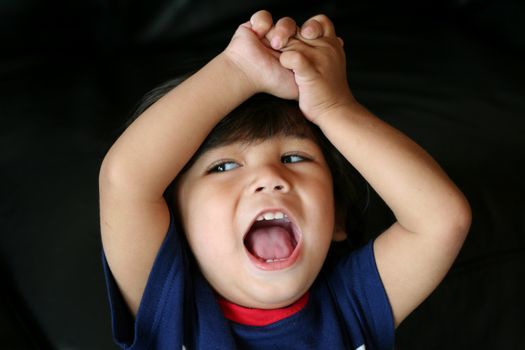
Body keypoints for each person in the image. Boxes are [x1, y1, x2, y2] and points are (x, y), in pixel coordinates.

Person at [99, 10, 471, 350]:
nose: (270, 178)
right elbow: (127, 180)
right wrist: (237, 70)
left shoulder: (351, 304)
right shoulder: (173, 311)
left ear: (337, 217)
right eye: (224, 167)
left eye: (295, 158)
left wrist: (334, 108)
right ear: (176, 226)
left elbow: (440, 220)